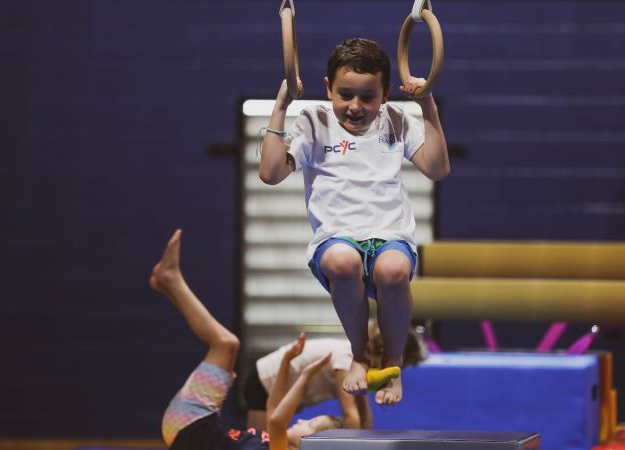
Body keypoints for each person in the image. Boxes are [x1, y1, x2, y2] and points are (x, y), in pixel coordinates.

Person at [259, 37, 449, 405]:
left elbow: (438, 169)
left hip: (390, 235)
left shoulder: (395, 119)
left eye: (368, 97)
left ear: (386, 93)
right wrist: (281, 105)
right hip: (336, 238)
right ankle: (359, 355)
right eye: (345, 94)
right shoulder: (313, 122)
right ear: (328, 87)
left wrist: (427, 104)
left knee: (393, 270)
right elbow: (270, 172)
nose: (355, 107)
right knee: (342, 262)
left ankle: (391, 363)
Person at [152, 229, 342, 450]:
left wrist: (306, 376)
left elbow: (278, 419)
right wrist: (286, 361)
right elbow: (273, 405)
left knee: (226, 344)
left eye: (310, 423)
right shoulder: (275, 442)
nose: (301, 419)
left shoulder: (279, 448)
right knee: (227, 346)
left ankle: (171, 280)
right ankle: (167, 285)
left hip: (192, 424)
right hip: (194, 426)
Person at [243, 323, 424, 431]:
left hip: (287, 387)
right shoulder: (347, 361)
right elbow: (350, 415)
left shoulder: (362, 365)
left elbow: (364, 414)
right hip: (264, 380)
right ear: (381, 353)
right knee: (261, 440)